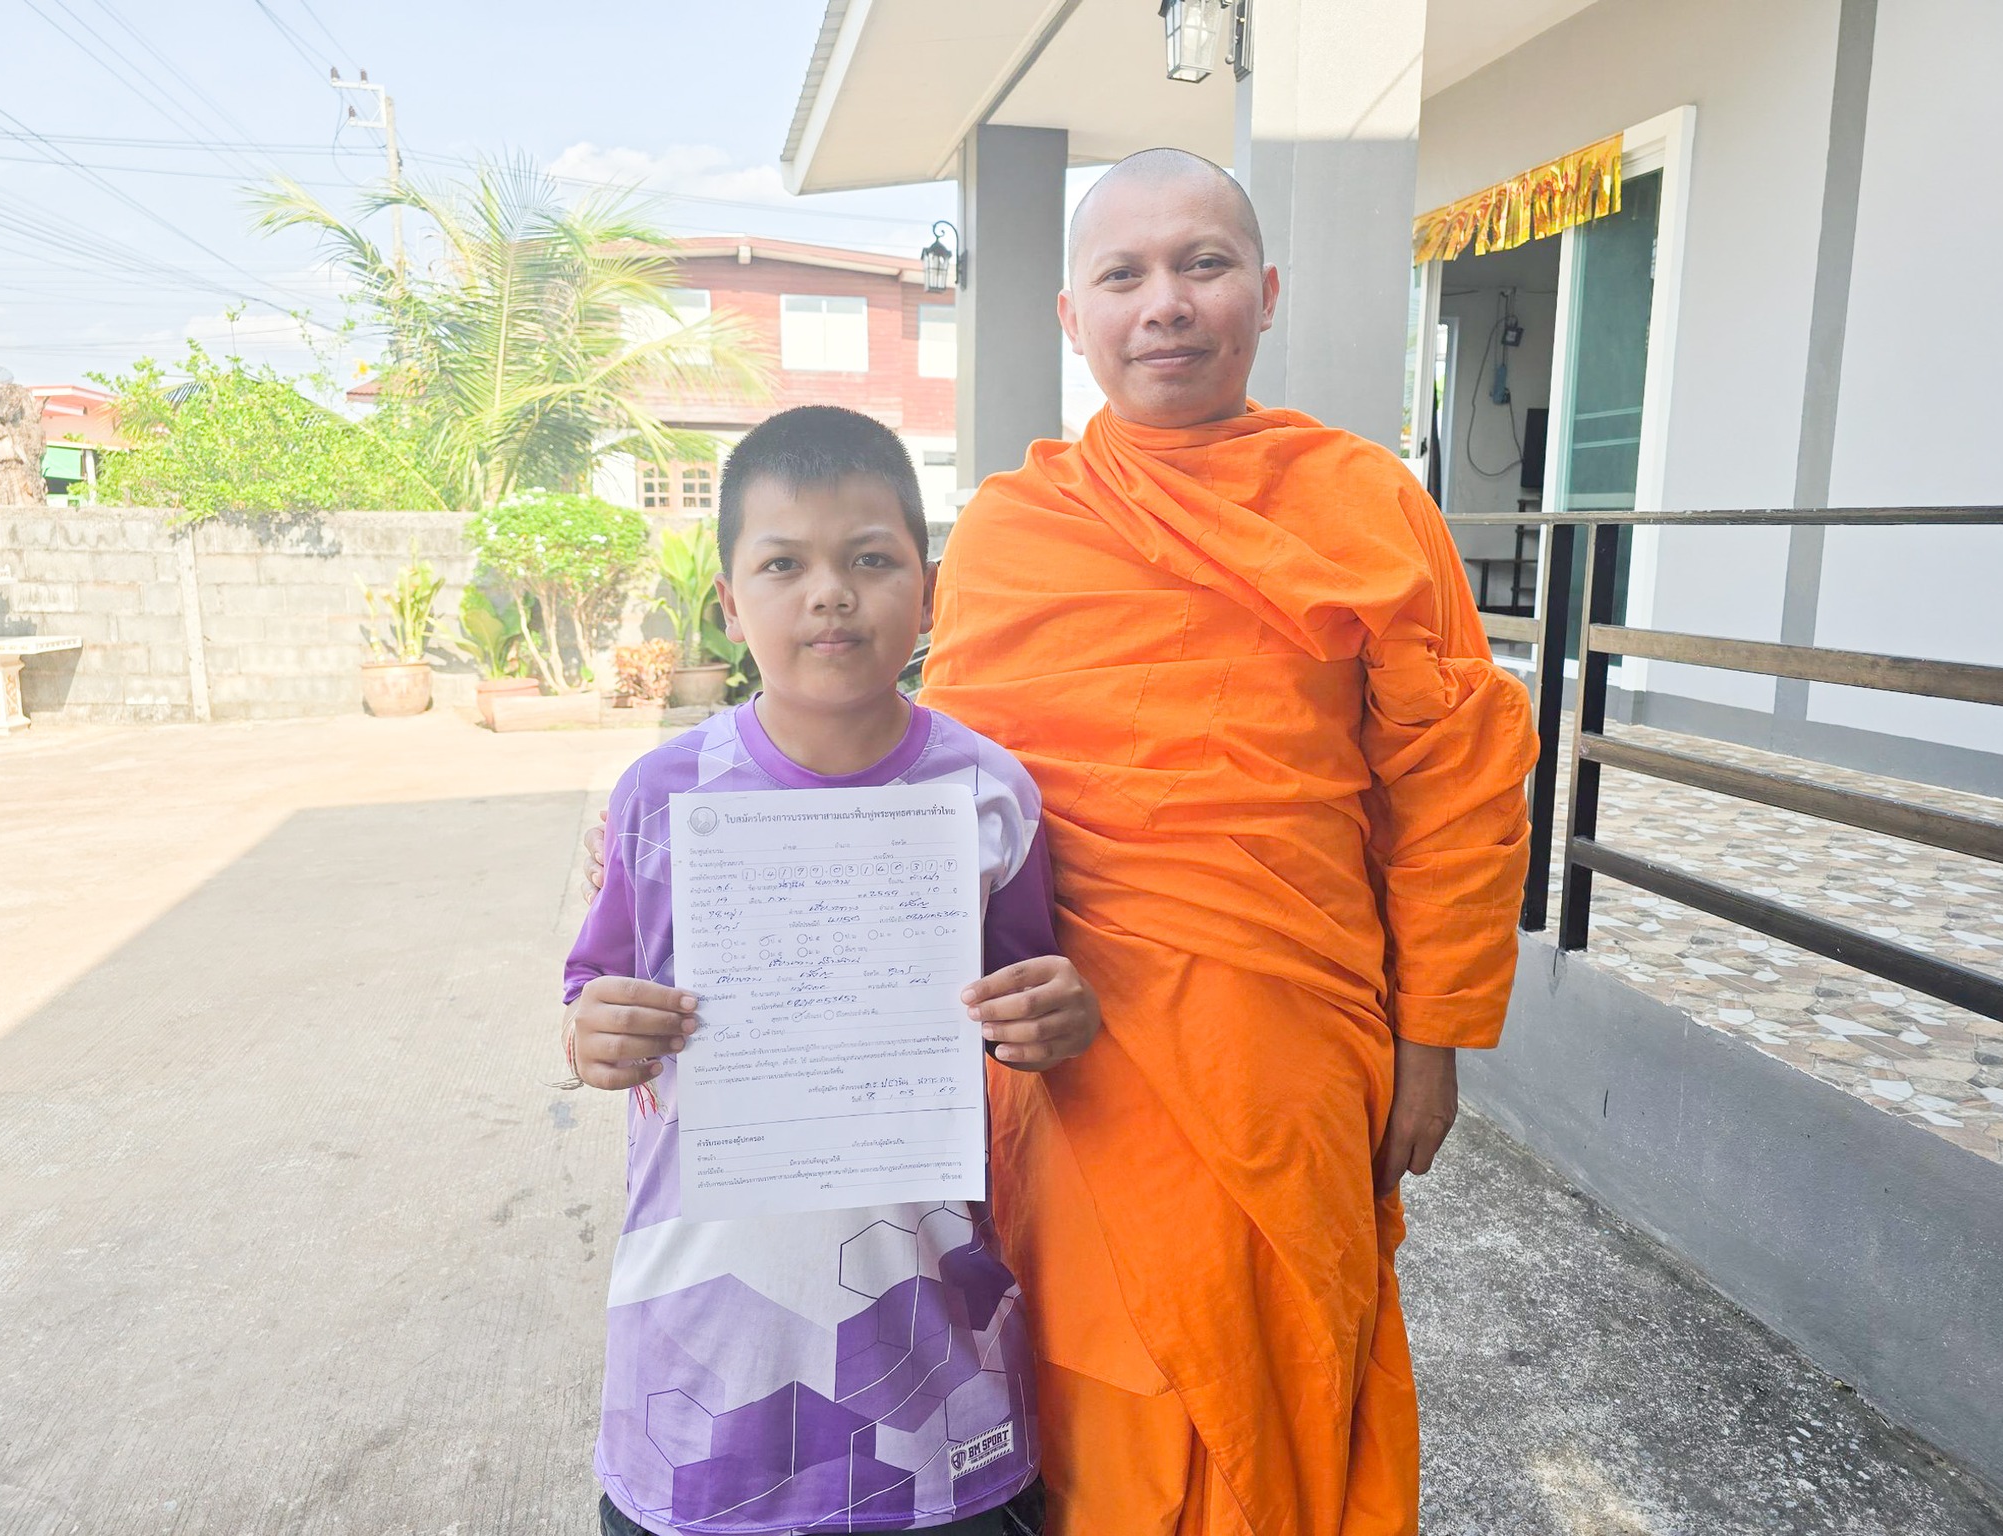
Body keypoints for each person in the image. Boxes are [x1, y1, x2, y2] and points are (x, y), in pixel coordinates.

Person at [588, 152, 1537, 1535]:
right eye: (1123, 275)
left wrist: (1435, 1038)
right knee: (1086, 1383)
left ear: (1265, 295)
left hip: (1280, 1047)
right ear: (1068, 318)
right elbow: (914, 808)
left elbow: (1453, 786)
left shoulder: (1366, 506)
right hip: (1055, 1052)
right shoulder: (1018, 532)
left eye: (1203, 266)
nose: (1164, 305)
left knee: (1272, 1360)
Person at [562, 405, 1100, 1536]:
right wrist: (592, 1035)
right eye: (782, 563)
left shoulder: (990, 794)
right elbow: (593, 1001)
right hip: (702, 1367)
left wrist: (1054, 1015)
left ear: (928, 585)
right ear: (728, 599)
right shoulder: (660, 800)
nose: (829, 592)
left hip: (932, 1378)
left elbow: (1020, 1010)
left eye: (869, 558)